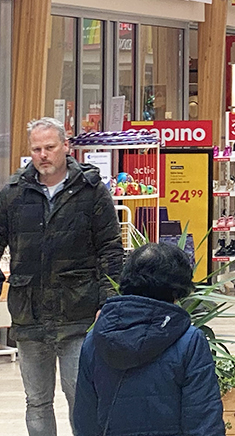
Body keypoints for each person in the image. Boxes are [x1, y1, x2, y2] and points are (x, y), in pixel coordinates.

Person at [0, 117, 124, 436]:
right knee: (37, 402)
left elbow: (110, 249)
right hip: (29, 314)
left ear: (66, 147)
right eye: (36, 148)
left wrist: (108, 302)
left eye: (50, 147)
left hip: (79, 312)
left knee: (80, 397)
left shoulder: (91, 190)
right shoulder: (13, 193)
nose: (43, 154)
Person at [73, 243, 224, 436]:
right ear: (177, 291)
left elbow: (85, 420)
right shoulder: (189, 341)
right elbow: (203, 419)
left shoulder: (95, 340)